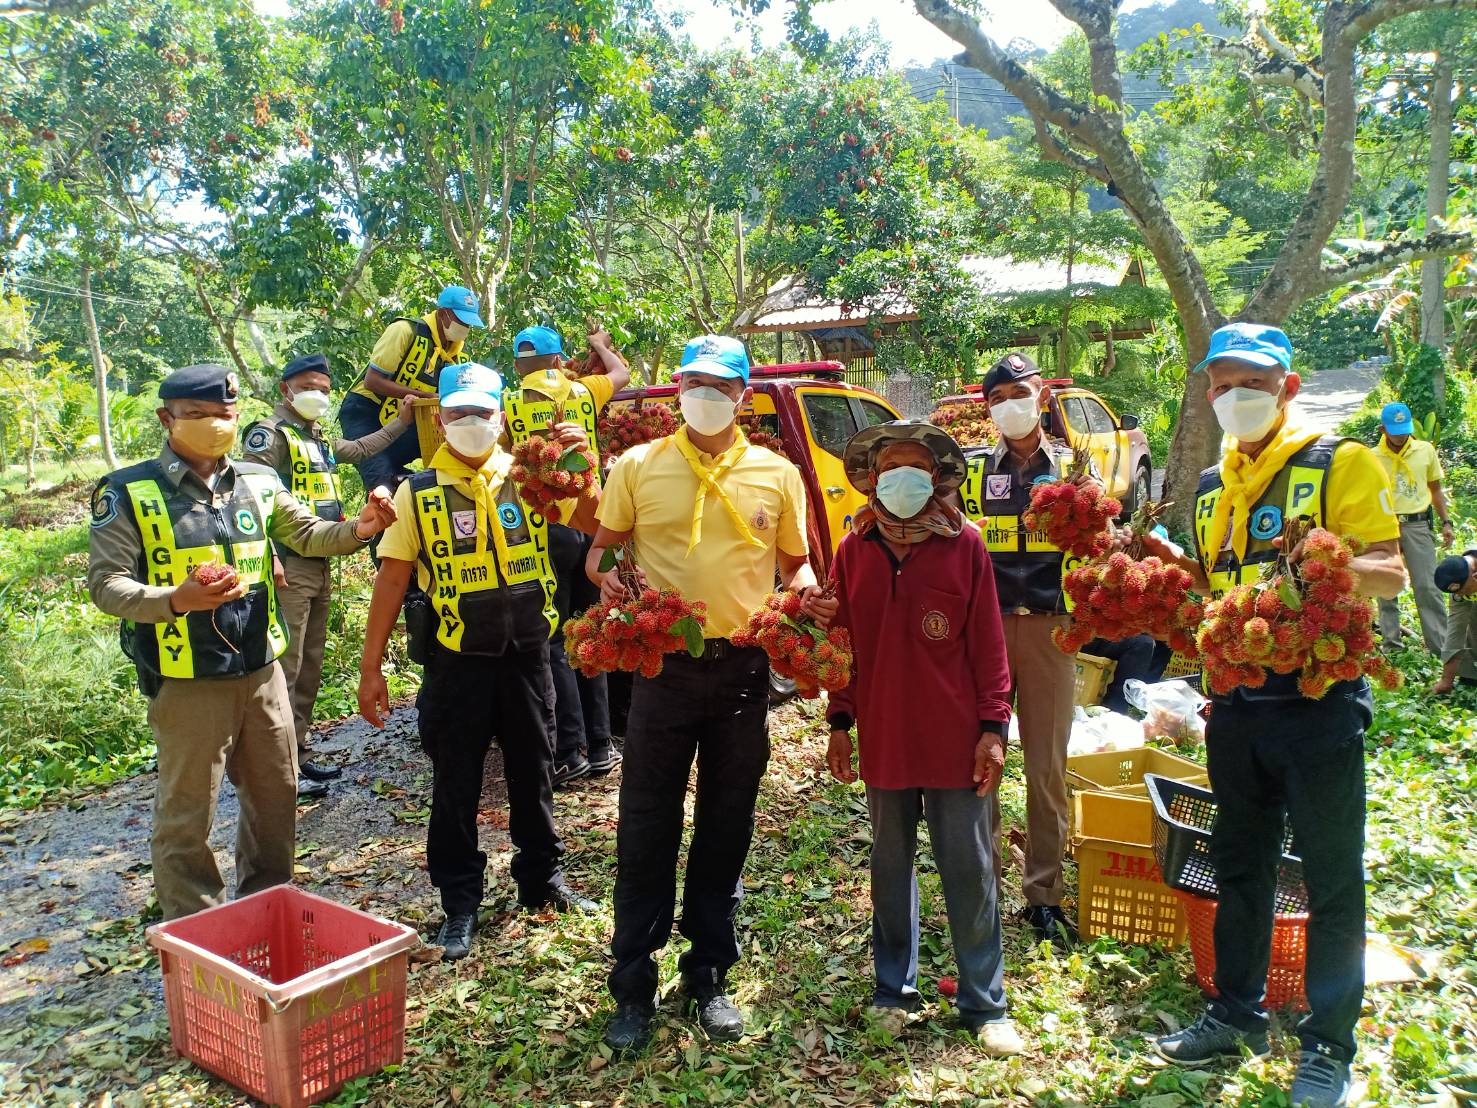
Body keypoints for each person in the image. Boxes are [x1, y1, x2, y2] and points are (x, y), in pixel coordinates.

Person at [1136, 323, 1405, 1108]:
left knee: (1329, 878)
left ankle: (1327, 1045)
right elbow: (1217, 588)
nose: (1231, 396)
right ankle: (1234, 1012)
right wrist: (1166, 572)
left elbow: (1387, 572)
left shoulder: (1337, 462)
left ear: (1287, 385)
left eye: (1248, 381)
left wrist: (1323, 562)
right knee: (1239, 863)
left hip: (1318, 710)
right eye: (1218, 384)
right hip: (1237, 707)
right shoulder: (1215, 487)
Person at [586, 334, 832, 1054]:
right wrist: (603, 572)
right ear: (675, 389)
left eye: (717, 385)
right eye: (692, 381)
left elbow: (797, 568)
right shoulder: (636, 465)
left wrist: (809, 605)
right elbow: (603, 549)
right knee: (645, 824)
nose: (703, 394)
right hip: (662, 669)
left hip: (744, 669)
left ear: (741, 397)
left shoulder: (776, 473)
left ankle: (708, 974)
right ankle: (632, 984)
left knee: (727, 822)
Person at [87, 363, 397, 921]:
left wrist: (364, 526)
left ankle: (268, 911)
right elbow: (106, 585)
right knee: (187, 816)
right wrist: (174, 599)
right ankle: (199, 935)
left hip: (261, 670)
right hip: (187, 678)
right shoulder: (128, 490)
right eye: (197, 415)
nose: (214, 425)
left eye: (224, 414)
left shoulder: (257, 481)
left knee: (276, 801)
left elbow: (309, 534)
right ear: (167, 419)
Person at [356, 362, 597, 962]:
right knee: (456, 783)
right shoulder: (417, 493)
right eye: (459, 413)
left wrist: (583, 470)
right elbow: (392, 581)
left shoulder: (531, 479)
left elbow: (596, 525)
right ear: (439, 419)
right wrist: (370, 667)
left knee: (534, 771)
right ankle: (460, 904)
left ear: (502, 418)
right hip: (457, 662)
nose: (471, 423)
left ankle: (541, 880)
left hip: (528, 658)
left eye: (482, 413)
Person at [824, 420, 1023, 1056]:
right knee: (890, 866)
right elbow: (843, 645)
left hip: (956, 736)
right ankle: (893, 990)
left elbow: (990, 644)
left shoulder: (965, 545)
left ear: (937, 477)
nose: (901, 478)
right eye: (889, 468)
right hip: (883, 735)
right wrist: (839, 722)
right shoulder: (854, 549)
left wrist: (993, 728)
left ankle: (984, 1002)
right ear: (872, 479)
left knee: (970, 868)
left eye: (915, 466)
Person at [961, 350, 1094, 946]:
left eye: (1020, 393)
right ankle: (983, 883)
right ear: (987, 409)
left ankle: (1044, 893)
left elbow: (1100, 543)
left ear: (1041, 396)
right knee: (982, 759)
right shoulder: (970, 472)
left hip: (1049, 627)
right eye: (997, 399)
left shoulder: (1074, 468)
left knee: (1045, 766)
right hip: (983, 630)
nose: (1010, 405)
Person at [242, 352, 417, 798]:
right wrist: (268, 554)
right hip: (286, 561)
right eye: (307, 387)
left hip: (320, 556)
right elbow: (252, 497)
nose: (317, 395)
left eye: (323, 388)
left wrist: (400, 423)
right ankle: (274, 766)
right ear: (286, 390)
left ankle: (296, 755)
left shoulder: (314, 439)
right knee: (286, 666)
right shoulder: (270, 436)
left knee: (308, 664)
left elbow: (359, 449)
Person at [503, 325, 631, 786]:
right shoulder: (585, 391)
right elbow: (621, 372)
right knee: (585, 631)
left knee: (554, 637)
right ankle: (600, 747)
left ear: (519, 366)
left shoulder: (509, 403)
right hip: (591, 523)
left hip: (542, 529)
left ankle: (569, 750)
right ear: (559, 361)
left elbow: (503, 457)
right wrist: (599, 344)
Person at [338, 284, 485, 492]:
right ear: (443, 314)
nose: (465, 328)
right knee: (382, 484)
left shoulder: (456, 357)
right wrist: (423, 396)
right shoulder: (405, 330)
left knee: (439, 475)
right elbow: (373, 381)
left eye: (469, 324)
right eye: (461, 321)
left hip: (405, 420)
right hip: (365, 413)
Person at [1373, 401, 1453, 652]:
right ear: (1383, 429)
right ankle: (1392, 644)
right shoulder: (1371, 458)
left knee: (1427, 586)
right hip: (1385, 527)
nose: (1400, 436)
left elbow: (1436, 490)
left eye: (1404, 430)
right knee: (1387, 586)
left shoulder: (1425, 451)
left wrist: (1446, 522)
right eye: (1395, 431)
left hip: (1417, 524)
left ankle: (1440, 646)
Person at [1433, 550, 1477, 693]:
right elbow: (1455, 633)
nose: (1460, 596)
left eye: (1464, 591)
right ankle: (1471, 674)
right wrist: (1446, 680)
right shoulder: (1459, 594)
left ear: (1474, 576)